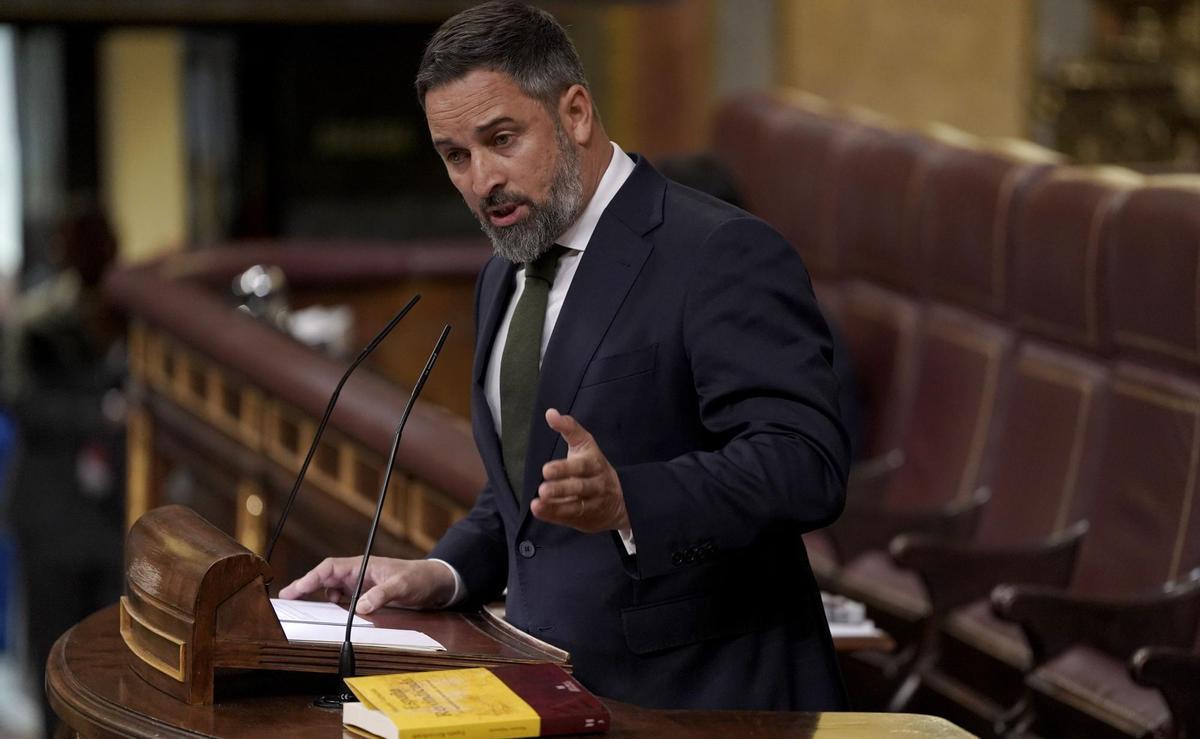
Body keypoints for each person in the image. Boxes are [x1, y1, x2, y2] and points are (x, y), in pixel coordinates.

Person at [281, 0, 850, 711]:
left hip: (706, 704)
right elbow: (526, 494)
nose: (480, 180)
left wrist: (628, 500)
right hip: (553, 696)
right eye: (455, 156)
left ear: (575, 113)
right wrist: (443, 569)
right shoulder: (503, 273)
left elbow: (806, 464)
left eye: (501, 139)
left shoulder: (717, 253)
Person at [1, 201, 126, 737]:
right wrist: (96, 414)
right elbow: (17, 398)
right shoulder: (38, 321)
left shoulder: (126, 309)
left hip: (107, 515)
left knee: (104, 648)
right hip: (52, 512)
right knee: (51, 645)